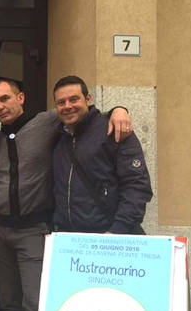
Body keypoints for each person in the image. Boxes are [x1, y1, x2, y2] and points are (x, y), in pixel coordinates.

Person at [0, 78, 132, 311]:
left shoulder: (46, 122)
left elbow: (81, 113)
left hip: (33, 230)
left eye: (5, 98)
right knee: (8, 308)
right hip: (0, 233)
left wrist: (120, 109)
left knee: (35, 309)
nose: (0, 106)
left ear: (21, 98)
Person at [51, 75, 153, 234]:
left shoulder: (113, 130)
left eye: (74, 99)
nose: (67, 106)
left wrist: (117, 230)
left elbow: (137, 185)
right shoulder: (57, 138)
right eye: (61, 102)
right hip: (70, 240)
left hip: (110, 236)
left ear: (88, 99)